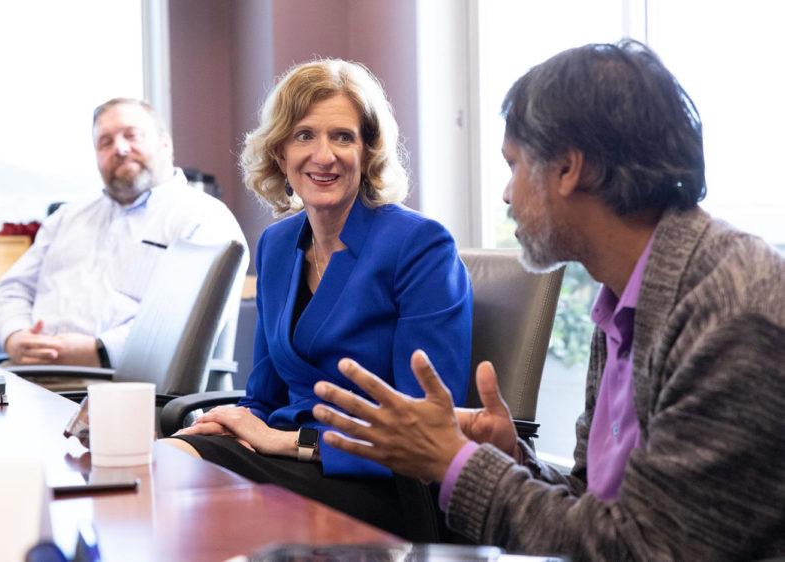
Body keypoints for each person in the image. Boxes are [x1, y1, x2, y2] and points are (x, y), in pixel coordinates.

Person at [311, 40, 785, 561]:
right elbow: (599, 506)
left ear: (568, 169)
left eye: (513, 164)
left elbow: (649, 549)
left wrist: (455, 464)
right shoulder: (624, 298)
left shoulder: (731, 313)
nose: (507, 195)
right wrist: (509, 458)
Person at [162, 59, 473, 540]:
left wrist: (288, 442)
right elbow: (263, 397)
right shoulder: (278, 244)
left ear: (368, 152)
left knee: (180, 487)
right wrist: (231, 424)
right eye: (305, 135)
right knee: (169, 466)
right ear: (280, 152)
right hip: (287, 460)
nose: (323, 155)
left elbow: (422, 429)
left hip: (379, 483)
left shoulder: (420, 245)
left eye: (343, 137)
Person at [0, 98, 247, 371]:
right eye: (105, 142)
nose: (120, 149)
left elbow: (187, 320)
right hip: (33, 375)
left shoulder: (202, 218)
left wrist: (99, 351)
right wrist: (15, 335)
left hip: (126, 383)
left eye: (131, 135)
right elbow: (13, 288)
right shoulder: (66, 218)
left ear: (165, 143)